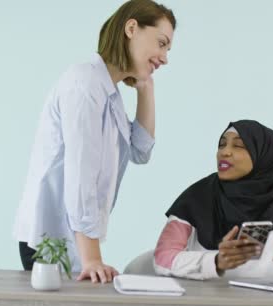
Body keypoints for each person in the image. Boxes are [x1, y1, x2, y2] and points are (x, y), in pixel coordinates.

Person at [13, 0, 176, 284]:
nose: (164, 58)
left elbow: (140, 149)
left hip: (74, 239)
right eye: (161, 44)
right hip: (51, 239)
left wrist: (145, 87)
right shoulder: (85, 83)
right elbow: (80, 176)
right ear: (132, 28)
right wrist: (92, 258)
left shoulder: (108, 93)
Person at [153, 120, 273, 280]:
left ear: (264, 156)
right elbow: (163, 259)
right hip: (207, 302)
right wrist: (216, 261)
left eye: (239, 146)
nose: (224, 152)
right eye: (221, 145)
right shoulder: (196, 198)